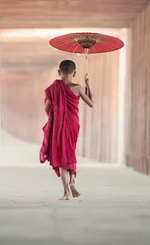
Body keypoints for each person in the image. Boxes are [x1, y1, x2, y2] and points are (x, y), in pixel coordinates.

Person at [39, 59, 94, 200]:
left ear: (59, 72)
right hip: (73, 125)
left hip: (58, 126)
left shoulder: (53, 89)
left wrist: (55, 120)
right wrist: (88, 85)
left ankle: (66, 192)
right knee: (70, 151)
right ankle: (73, 181)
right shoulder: (77, 88)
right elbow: (91, 103)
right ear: (74, 73)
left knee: (61, 156)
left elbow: (47, 110)